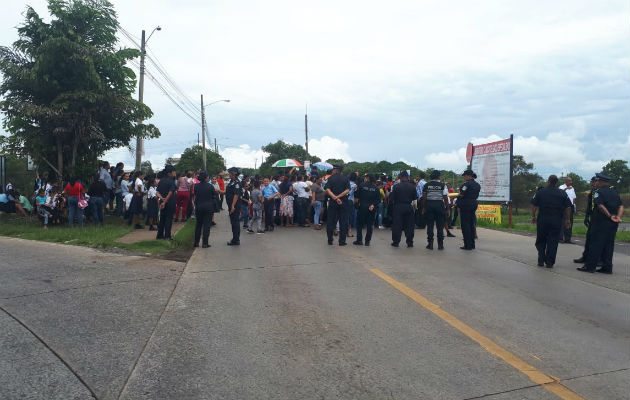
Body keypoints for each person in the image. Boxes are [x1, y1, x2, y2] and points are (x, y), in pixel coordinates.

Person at [577, 173, 624, 274]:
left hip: (600, 222)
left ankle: (590, 266)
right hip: (613, 223)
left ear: (601, 182)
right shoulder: (614, 191)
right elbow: (620, 206)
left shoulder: (598, 192)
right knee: (609, 245)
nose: (596, 182)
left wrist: (609, 215)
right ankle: (607, 267)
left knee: (595, 244)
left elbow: (600, 205)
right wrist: (618, 217)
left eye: (597, 181)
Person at [531, 175, 572, 268]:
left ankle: (541, 260)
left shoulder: (540, 192)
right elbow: (568, 207)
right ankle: (550, 262)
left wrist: (533, 216)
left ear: (548, 181)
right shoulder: (562, 193)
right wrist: (568, 219)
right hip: (556, 220)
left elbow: (534, 205)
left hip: (543, 220)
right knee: (553, 241)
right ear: (556, 182)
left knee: (541, 240)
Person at [422, 170, 449, 250]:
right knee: (440, 226)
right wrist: (447, 208)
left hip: (429, 205)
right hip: (439, 205)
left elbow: (424, 197)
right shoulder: (442, 185)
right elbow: (445, 197)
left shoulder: (427, 185)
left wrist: (424, 207)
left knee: (430, 226)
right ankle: (440, 245)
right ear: (438, 177)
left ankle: (430, 244)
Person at [390, 170, 418, 247]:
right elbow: (415, 199)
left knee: (397, 225)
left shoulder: (395, 187)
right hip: (408, 207)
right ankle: (410, 242)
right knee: (409, 225)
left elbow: (391, 198)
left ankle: (396, 242)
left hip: (398, 207)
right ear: (408, 177)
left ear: (400, 177)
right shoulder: (412, 187)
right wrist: (415, 208)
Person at [325, 165, 351, 246]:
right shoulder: (346, 179)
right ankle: (342, 241)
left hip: (333, 202)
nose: (332, 171)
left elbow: (327, 189)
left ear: (336, 170)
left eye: (333, 170)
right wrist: (339, 197)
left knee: (330, 221)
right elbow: (347, 190)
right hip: (343, 202)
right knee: (343, 222)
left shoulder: (330, 179)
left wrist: (335, 197)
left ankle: (330, 240)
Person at [574, 177, 597, 264]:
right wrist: (586, 217)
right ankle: (585, 256)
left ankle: (598, 259)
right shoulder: (592, 191)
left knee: (596, 240)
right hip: (592, 217)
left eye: (593, 181)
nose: (591, 183)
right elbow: (589, 206)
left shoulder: (601, 191)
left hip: (598, 218)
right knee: (589, 238)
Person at [354, 174, 381, 246]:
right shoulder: (376, 188)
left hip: (362, 207)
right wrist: (373, 205)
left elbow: (356, 195)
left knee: (359, 224)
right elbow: (378, 199)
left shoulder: (361, 185)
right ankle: (367, 241)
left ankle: (359, 240)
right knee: (370, 225)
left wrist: (356, 205)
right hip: (371, 208)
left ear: (368, 178)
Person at [192, 171, 217, 248]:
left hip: (199, 207)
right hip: (208, 207)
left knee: (198, 225)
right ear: (206, 178)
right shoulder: (210, 186)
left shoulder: (196, 186)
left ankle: (196, 243)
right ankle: (205, 243)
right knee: (206, 225)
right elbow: (215, 195)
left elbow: (195, 195)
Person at [458, 169, 481, 250]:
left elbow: (461, 195)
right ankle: (472, 244)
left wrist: (458, 200)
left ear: (468, 176)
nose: (464, 177)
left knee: (465, 225)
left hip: (465, 205)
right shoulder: (477, 185)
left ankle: (467, 245)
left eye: (465, 175)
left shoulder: (466, 184)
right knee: (471, 224)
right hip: (474, 204)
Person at [156, 166, 177, 239]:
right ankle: (167, 236)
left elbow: (157, 192)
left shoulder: (161, 181)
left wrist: (162, 199)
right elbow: (170, 192)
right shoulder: (171, 181)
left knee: (162, 219)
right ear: (169, 173)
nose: (175, 173)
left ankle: (159, 235)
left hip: (162, 202)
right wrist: (165, 201)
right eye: (174, 172)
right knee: (168, 219)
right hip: (169, 202)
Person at [225, 167, 242, 245]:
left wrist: (232, 206)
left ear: (233, 173)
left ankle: (236, 240)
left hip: (234, 206)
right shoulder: (231, 181)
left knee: (235, 222)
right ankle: (235, 238)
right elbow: (229, 192)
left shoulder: (237, 183)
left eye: (229, 173)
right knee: (233, 222)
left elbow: (236, 194)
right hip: (231, 205)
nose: (228, 174)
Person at [558, 177, 577, 243]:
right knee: (562, 222)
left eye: (571, 181)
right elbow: (559, 194)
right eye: (569, 181)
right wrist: (566, 189)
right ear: (566, 181)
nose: (571, 182)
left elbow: (574, 197)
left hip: (570, 206)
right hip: (563, 207)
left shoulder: (572, 188)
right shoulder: (561, 187)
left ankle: (568, 239)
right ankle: (560, 238)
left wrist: (573, 205)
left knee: (570, 222)